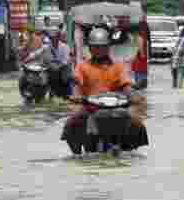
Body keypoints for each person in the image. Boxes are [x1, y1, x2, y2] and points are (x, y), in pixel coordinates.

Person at [61, 26, 147, 154]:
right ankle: (76, 153)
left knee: (137, 123)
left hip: (115, 106)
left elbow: (126, 85)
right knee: (72, 122)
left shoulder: (118, 66)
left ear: (108, 47)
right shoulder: (82, 66)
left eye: (102, 46)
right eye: (95, 46)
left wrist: (133, 95)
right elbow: (77, 84)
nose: (99, 50)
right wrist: (76, 95)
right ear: (90, 48)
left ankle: (131, 150)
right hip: (90, 106)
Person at [48, 28, 73, 97]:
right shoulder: (48, 46)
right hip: (54, 69)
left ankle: (67, 93)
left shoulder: (65, 47)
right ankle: (51, 92)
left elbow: (65, 61)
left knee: (66, 76)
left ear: (58, 37)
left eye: (54, 37)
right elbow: (39, 52)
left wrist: (57, 67)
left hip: (63, 69)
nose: (52, 39)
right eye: (51, 38)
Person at [132, 20, 150, 90]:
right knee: (140, 75)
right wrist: (142, 54)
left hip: (140, 58)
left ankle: (139, 85)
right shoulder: (141, 36)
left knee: (139, 74)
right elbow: (140, 46)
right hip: (140, 59)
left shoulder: (139, 35)